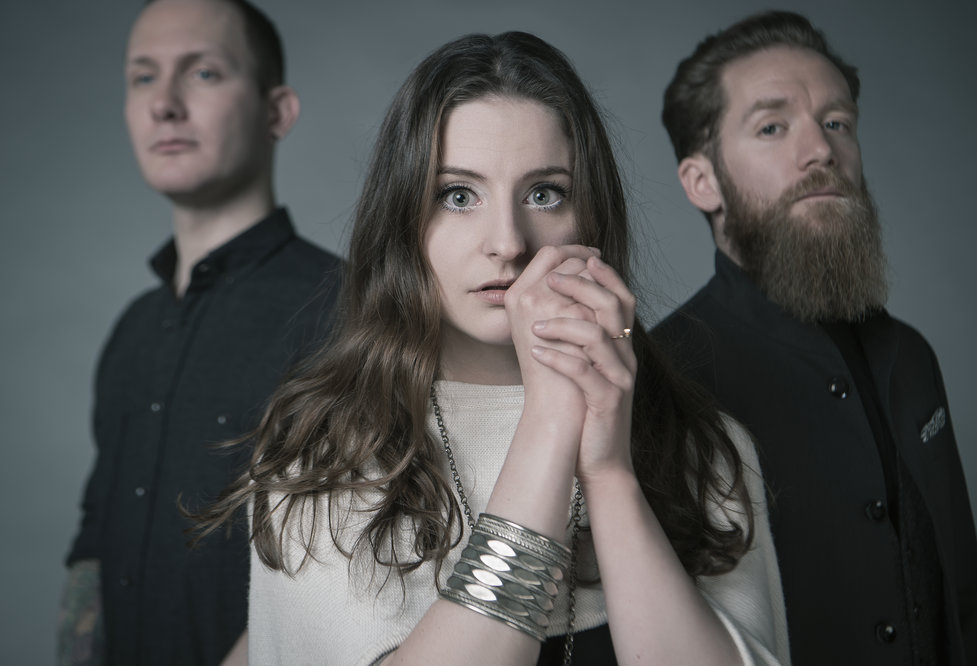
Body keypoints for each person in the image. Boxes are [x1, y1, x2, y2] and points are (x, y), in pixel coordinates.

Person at [197, 31, 788, 665]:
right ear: (403, 223)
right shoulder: (318, 455)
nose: (508, 242)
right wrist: (549, 422)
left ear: (592, 220)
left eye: (544, 194)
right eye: (458, 196)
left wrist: (610, 475)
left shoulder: (706, 447)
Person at [651, 10, 977, 666]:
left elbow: (963, 608)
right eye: (772, 127)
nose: (822, 151)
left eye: (837, 123)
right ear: (703, 182)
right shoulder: (661, 381)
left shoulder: (912, 357)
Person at [59, 0, 342, 664]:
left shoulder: (347, 313)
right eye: (143, 77)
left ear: (277, 112)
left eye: (204, 73)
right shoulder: (131, 331)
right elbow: (94, 549)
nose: (164, 104)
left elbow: (346, 568)